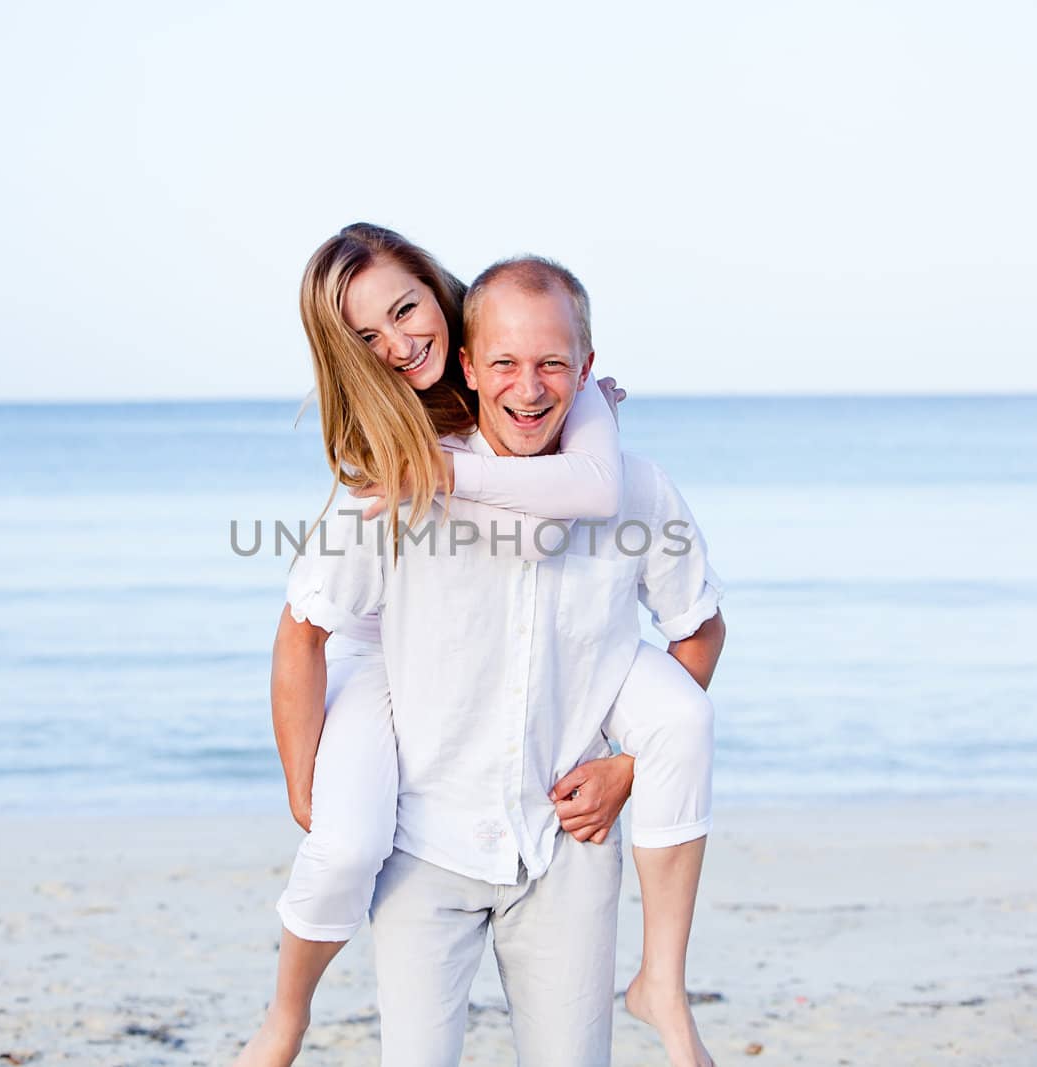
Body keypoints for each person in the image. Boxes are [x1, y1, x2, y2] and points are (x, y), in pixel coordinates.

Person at [236, 229, 722, 1067]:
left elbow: (698, 627)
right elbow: (303, 630)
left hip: (566, 844)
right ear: (469, 363)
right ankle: (286, 1013)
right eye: (502, 364)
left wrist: (627, 768)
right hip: (426, 840)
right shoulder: (388, 481)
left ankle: (663, 986)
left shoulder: (630, 483)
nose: (528, 389)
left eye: (552, 366)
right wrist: (310, 793)